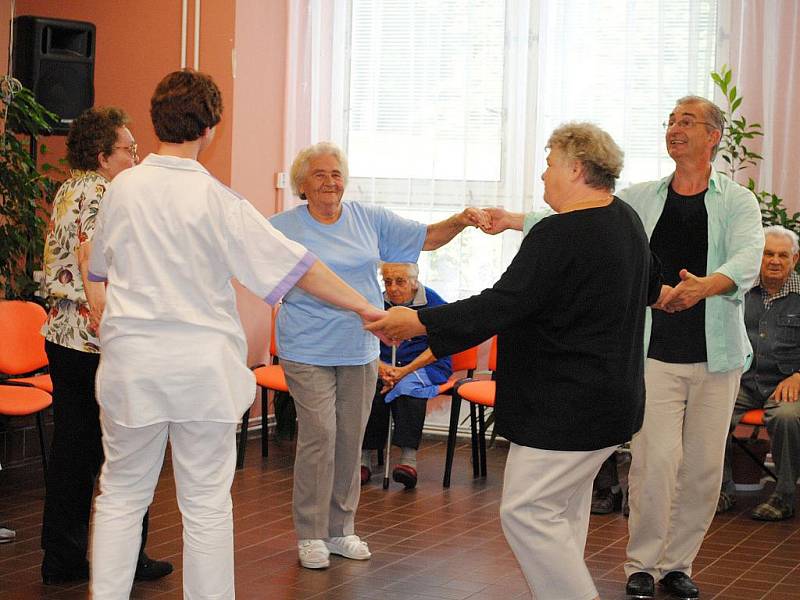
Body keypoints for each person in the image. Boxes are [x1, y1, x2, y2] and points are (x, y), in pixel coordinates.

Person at [86, 70, 385, 599]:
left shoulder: (121, 191)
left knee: (120, 495)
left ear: (158, 121)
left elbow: (98, 276)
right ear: (209, 129)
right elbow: (300, 270)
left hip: (132, 366)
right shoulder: (218, 201)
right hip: (202, 370)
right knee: (204, 503)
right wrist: (367, 307)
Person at [483, 97, 764, 600]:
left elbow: (748, 258)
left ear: (714, 136)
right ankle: (642, 562)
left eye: (687, 122)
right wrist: (510, 219)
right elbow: (584, 218)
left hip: (716, 355)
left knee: (702, 468)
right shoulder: (641, 197)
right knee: (655, 462)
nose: (675, 128)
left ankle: (678, 564)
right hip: (653, 351)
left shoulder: (737, 201)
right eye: (671, 121)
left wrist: (708, 284)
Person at [368, 122, 663, 600]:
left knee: (525, 512)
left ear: (575, 168)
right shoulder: (625, 219)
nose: (543, 177)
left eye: (548, 166)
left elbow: (502, 304)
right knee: (563, 512)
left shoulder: (559, 234)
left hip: (565, 406)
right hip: (611, 402)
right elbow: (651, 288)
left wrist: (420, 323)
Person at [269, 141, 489, 569]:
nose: (330, 182)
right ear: (301, 184)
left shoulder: (367, 219)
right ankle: (310, 533)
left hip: (359, 349)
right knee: (319, 436)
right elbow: (253, 266)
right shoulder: (282, 226)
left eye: (336, 174)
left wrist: (461, 221)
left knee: (350, 439)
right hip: (306, 347)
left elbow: (425, 238)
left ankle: (340, 529)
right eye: (319, 174)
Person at [40, 107, 171, 585]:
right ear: (102, 156)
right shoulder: (102, 193)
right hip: (96, 338)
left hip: (63, 335)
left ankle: (63, 559)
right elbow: (96, 261)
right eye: (128, 150)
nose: (136, 157)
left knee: (73, 451)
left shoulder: (69, 188)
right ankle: (128, 558)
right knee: (124, 450)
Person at [718, 226, 800, 521]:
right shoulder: (739, 293)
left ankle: (784, 496)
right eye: (767, 254)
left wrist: (798, 377)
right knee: (713, 410)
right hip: (744, 381)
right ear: (758, 257)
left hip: (788, 385)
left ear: (795, 259)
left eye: (782, 255)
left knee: (787, 417)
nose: (774, 260)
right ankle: (721, 490)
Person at [360, 262, 452, 490]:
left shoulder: (434, 303)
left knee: (411, 389)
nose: (392, 288)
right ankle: (363, 458)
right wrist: (382, 368)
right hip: (382, 364)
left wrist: (405, 371)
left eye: (399, 281)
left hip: (423, 365)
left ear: (414, 281)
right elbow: (361, 341)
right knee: (370, 387)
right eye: (388, 281)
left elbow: (442, 346)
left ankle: (408, 460)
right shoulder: (374, 303)